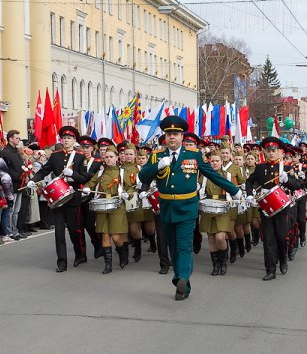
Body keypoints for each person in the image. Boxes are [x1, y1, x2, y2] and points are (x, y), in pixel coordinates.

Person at [139, 116, 241, 301]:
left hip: (187, 207)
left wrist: (234, 190)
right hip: (167, 207)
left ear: (182, 136)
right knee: (173, 246)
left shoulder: (193, 155)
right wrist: (156, 166)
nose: (172, 137)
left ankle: (183, 278)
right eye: (169, 134)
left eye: (176, 134)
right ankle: (182, 282)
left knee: (184, 246)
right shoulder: (157, 155)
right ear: (165, 135)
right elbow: (142, 176)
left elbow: (212, 174)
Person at [28, 126, 89, 272]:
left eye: (69, 138)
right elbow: (44, 170)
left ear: (74, 140)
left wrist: (72, 174)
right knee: (59, 231)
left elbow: (84, 177)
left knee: (74, 230)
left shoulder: (80, 157)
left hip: (73, 198)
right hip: (57, 197)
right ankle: (61, 262)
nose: (66, 140)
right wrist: (34, 179)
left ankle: (80, 254)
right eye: (64, 138)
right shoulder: (55, 156)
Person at [246, 137, 300, 281]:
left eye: (274, 151)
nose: (271, 153)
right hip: (266, 208)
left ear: (280, 152)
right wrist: (250, 195)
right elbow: (249, 181)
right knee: (268, 239)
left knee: (281, 237)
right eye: (268, 151)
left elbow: (297, 186)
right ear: (264, 151)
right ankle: (270, 269)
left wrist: (287, 180)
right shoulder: (260, 167)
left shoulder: (287, 168)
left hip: (282, 208)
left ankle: (282, 259)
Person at [82, 145, 134, 274]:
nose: (109, 159)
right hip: (102, 207)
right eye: (106, 157)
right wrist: (87, 188)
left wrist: (128, 194)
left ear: (117, 158)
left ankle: (122, 254)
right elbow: (90, 183)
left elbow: (130, 187)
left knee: (116, 237)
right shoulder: (100, 173)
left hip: (117, 207)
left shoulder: (122, 172)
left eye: (111, 157)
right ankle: (108, 264)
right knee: (105, 235)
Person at [0, 130, 28, 240]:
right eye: (17, 138)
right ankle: (9, 231)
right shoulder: (5, 152)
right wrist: (18, 176)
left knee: (16, 210)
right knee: (11, 211)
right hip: (11, 184)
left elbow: (20, 166)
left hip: (20, 184)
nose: (18, 140)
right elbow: (4, 169)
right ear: (10, 139)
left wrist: (25, 173)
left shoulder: (16, 152)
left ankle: (15, 230)